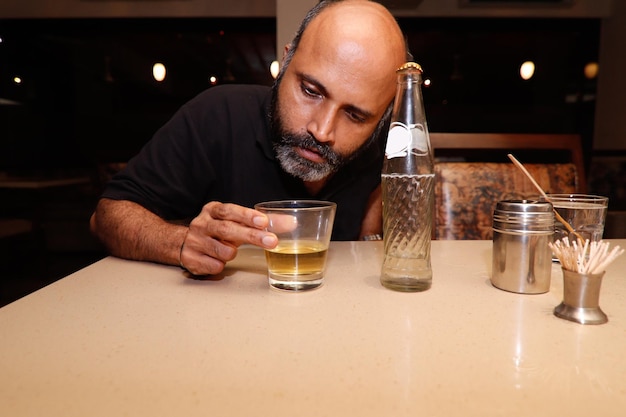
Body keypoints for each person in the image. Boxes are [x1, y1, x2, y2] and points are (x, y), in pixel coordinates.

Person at [90, 0, 408, 276]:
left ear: (381, 118)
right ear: (285, 63)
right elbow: (106, 216)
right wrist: (182, 242)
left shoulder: (382, 146)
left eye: (355, 115)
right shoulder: (217, 114)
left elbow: (374, 231)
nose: (322, 131)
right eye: (311, 91)